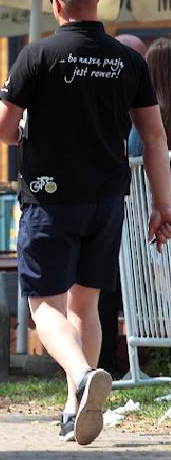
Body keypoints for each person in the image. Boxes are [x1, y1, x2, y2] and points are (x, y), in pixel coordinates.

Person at [0, 0, 171, 446]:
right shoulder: (127, 60)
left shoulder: (37, 55)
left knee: (43, 305)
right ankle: (75, 410)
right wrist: (162, 204)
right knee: (85, 304)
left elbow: (1, 128)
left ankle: (83, 374)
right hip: (107, 199)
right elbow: (154, 136)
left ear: (56, 5)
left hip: (50, 198)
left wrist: (28, 132)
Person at [97, 32, 149, 376]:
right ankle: (103, 361)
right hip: (111, 210)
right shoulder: (109, 100)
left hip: (131, 216)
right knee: (103, 287)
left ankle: (110, 360)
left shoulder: (138, 108)